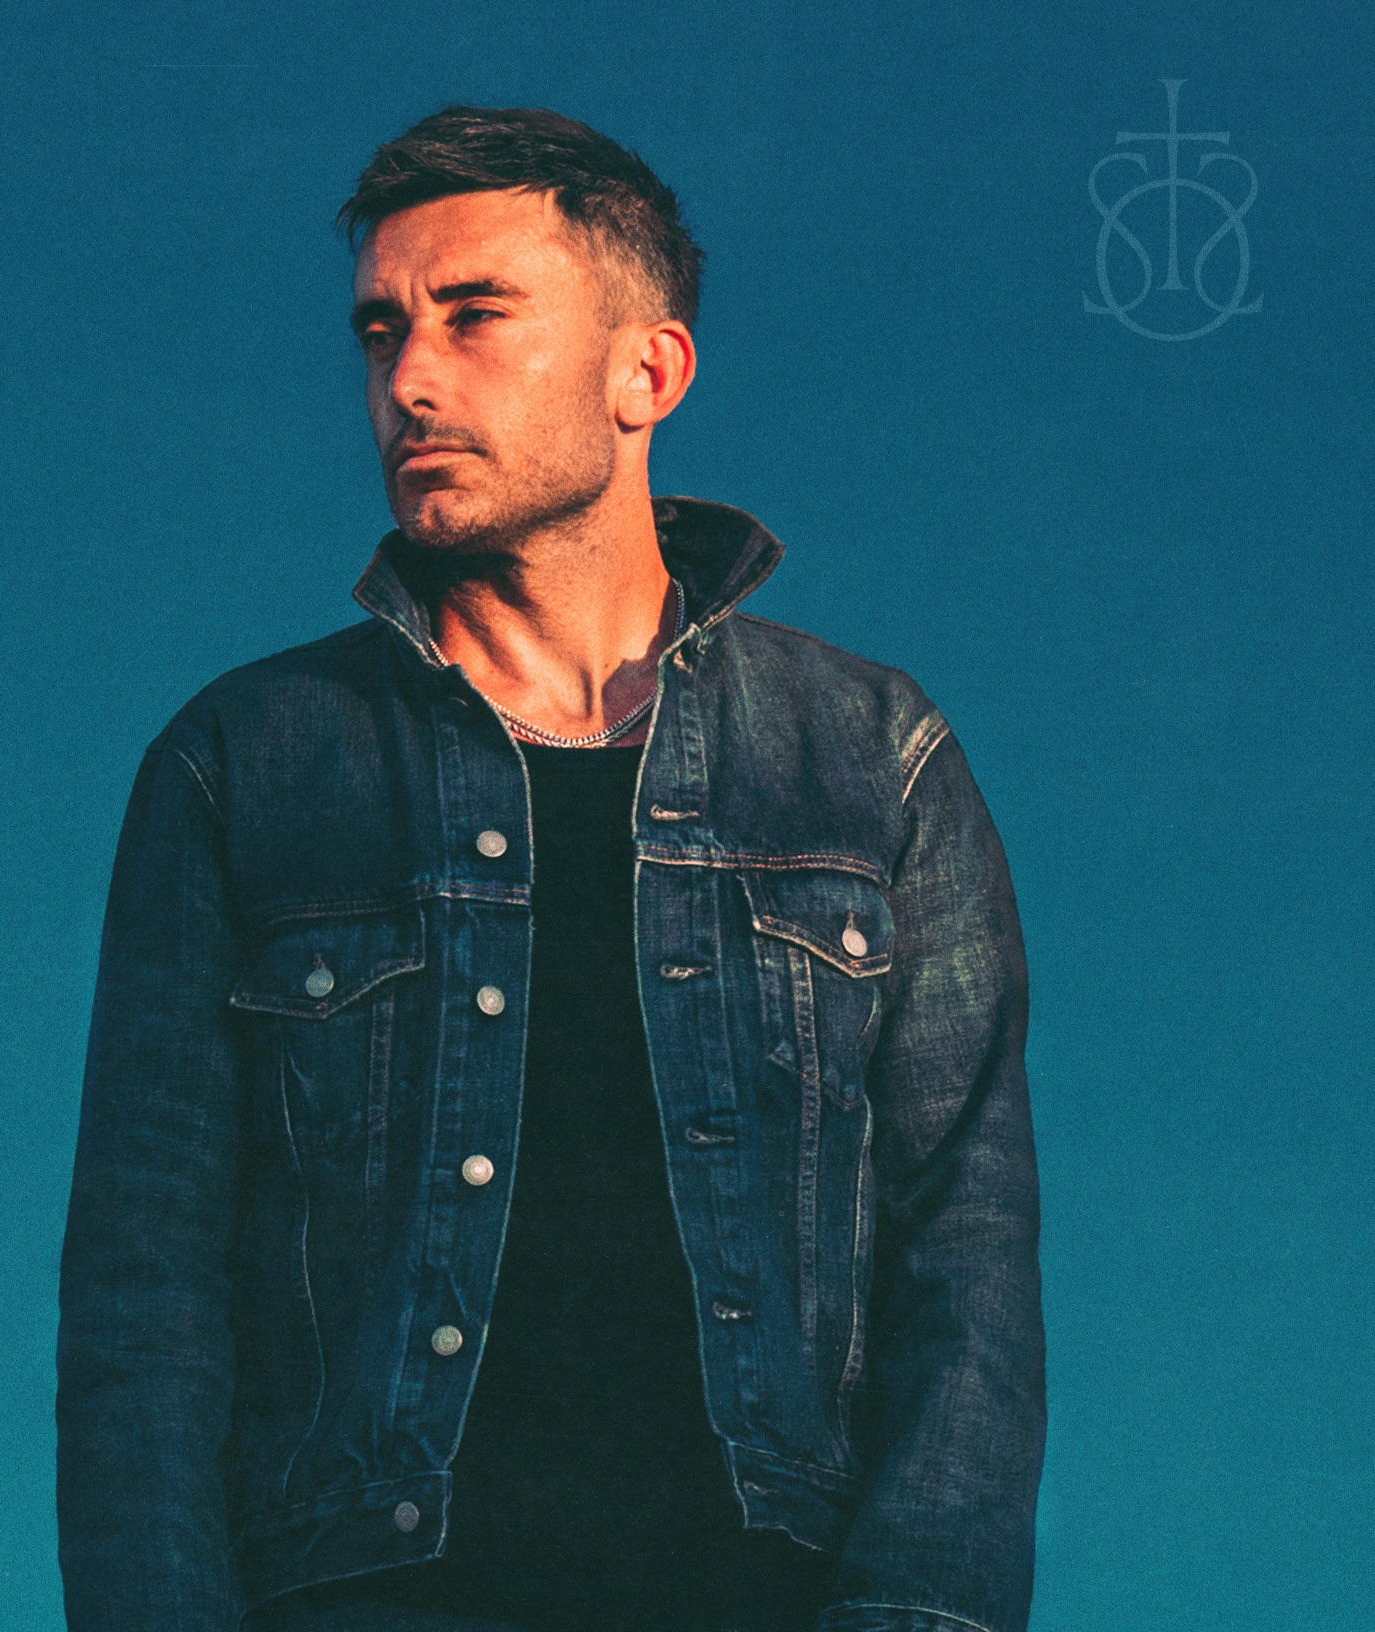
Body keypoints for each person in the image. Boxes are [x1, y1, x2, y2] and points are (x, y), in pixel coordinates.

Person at [56, 106, 1045, 1632]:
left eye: (474, 316)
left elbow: (967, 1278)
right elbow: (145, 1300)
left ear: (647, 371)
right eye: (382, 329)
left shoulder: (868, 760)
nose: (410, 378)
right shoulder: (246, 766)